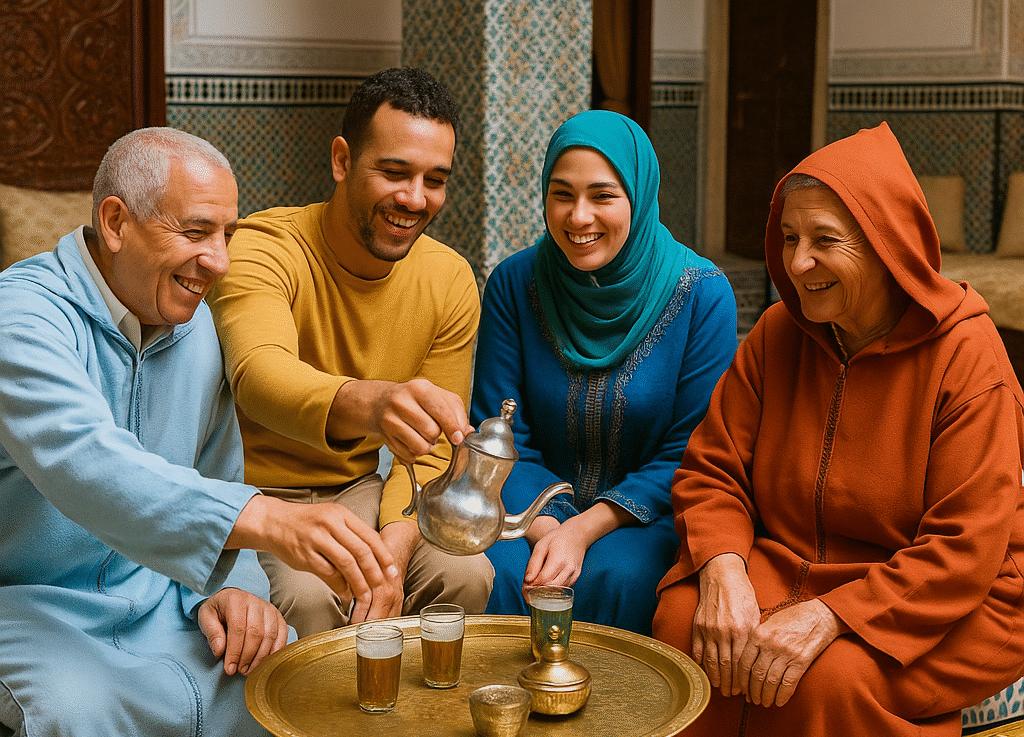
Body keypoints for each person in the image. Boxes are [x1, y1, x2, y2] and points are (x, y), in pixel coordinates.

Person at [0, 128, 403, 736]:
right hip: (23, 606)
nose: (220, 261)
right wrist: (272, 518)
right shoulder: (22, 318)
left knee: (277, 678)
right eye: (195, 232)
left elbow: (217, 474)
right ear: (115, 223)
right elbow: (88, 461)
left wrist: (235, 590)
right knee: (79, 708)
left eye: (227, 234)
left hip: (157, 600)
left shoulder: (197, 329)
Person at [652, 122, 1024, 736]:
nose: (797, 263)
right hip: (791, 563)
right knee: (683, 626)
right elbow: (713, 469)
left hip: (954, 596)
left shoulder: (967, 356)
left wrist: (832, 617)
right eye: (790, 237)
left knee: (826, 681)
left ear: (888, 245)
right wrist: (723, 567)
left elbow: (964, 549)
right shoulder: (777, 335)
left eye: (826, 240)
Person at [207, 67, 493, 638]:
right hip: (255, 495)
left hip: (360, 491)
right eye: (393, 172)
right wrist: (374, 402)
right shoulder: (264, 248)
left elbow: (433, 454)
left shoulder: (449, 278)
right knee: (310, 600)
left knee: (464, 574)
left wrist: (391, 546)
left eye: (434, 179)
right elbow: (259, 377)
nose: (414, 199)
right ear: (342, 161)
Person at [471, 110, 737, 636]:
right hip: (527, 512)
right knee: (495, 574)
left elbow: (693, 448)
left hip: (647, 517)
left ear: (638, 196)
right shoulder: (514, 283)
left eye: (603, 196)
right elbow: (500, 430)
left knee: (626, 578)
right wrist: (547, 527)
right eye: (562, 194)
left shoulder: (702, 295)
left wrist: (584, 531)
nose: (578, 217)